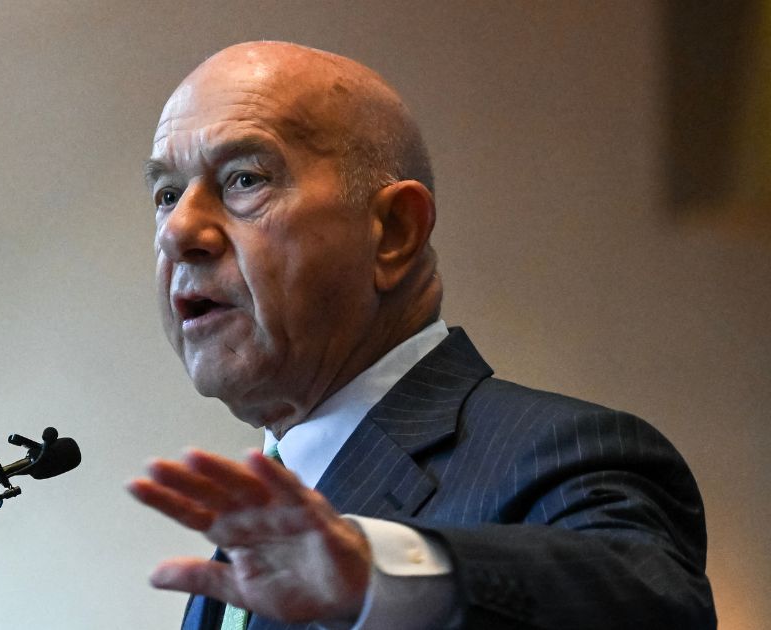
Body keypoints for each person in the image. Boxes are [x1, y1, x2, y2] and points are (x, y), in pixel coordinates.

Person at [126, 41, 715, 630]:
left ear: (395, 232)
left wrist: (380, 579)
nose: (179, 231)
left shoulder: (566, 455)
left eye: (244, 179)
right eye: (168, 195)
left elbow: (652, 605)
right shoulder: (257, 533)